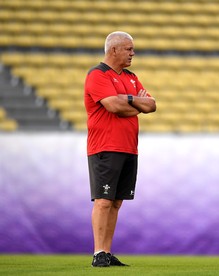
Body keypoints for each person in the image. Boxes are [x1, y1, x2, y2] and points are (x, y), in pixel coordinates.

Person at [84, 31, 156, 267]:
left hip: (129, 147)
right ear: (113, 50)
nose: (133, 53)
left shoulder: (131, 76)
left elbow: (152, 105)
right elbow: (113, 106)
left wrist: (128, 100)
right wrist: (136, 101)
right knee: (103, 200)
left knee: (116, 202)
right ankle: (98, 253)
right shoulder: (97, 75)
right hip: (105, 146)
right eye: (129, 49)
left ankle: (106, 251)